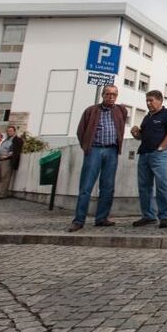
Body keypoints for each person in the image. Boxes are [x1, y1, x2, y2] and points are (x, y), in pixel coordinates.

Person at [69, 85, 128, 232]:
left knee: (108, 187)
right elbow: (80, 131)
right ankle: (79, 220)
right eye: (108, 94)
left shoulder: (120, 110)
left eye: (114, 94)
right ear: (102, 95)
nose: (111, 97)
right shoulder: (91, 110)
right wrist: (87, 147)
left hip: (112, 150)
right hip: (94, 149)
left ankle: (102, 218)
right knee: (86, 186)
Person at [130, 90, 167, 228]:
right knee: (144, 187)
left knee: (162, 185)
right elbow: (141, 137)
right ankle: (148, 216)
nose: (148, 103)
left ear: (160, 100)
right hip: (144, 154)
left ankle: (164, 216)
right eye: (147, 100)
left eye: (151, 100)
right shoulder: (147, 118)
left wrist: (161, 148)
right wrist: (135, 133)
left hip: (159, 155)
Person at [0, 125, 22, 199]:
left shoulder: (17, 139)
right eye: (8, 131)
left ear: (14, 131)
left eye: (10, 131)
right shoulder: (5, 140)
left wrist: (8, 156)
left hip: (7, 160)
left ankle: (1, 194)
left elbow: (16, 150)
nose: (9, 132)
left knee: (4, 177)